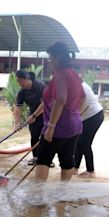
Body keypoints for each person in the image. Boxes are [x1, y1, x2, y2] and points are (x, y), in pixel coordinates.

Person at [35, 42, 85, 182]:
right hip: (74, 126)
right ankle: (62, 194)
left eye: (50, 57)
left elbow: (61, 99)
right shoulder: (74, 75)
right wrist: (75, 114)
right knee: (67, 160)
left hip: (58, 127)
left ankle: (37, 197)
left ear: (57, 57)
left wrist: (51, 126)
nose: (49, 60)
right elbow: (83, 98)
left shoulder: (60, 74)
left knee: (43, 159)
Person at [13, 69, 54, 167]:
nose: (19, 84)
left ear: (26, 78)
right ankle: (35, 157)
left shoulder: (40, 86)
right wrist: (17, 123)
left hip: (46, 115)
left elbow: (44, 104)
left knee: (46, 137)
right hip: (33, 115)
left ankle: (48, 159)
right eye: (18, 81)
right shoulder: (22, 92)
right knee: (34, 136)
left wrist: (34, 115)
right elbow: (18, 108)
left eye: (20, 81)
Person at [74, 82, 104, 178]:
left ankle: (91, 171)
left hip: (93, 116)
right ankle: (75, 168)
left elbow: (82, 104)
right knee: (79, 142)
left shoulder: (79, 86)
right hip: (87, 117)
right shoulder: (77, 84)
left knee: (85, 143)